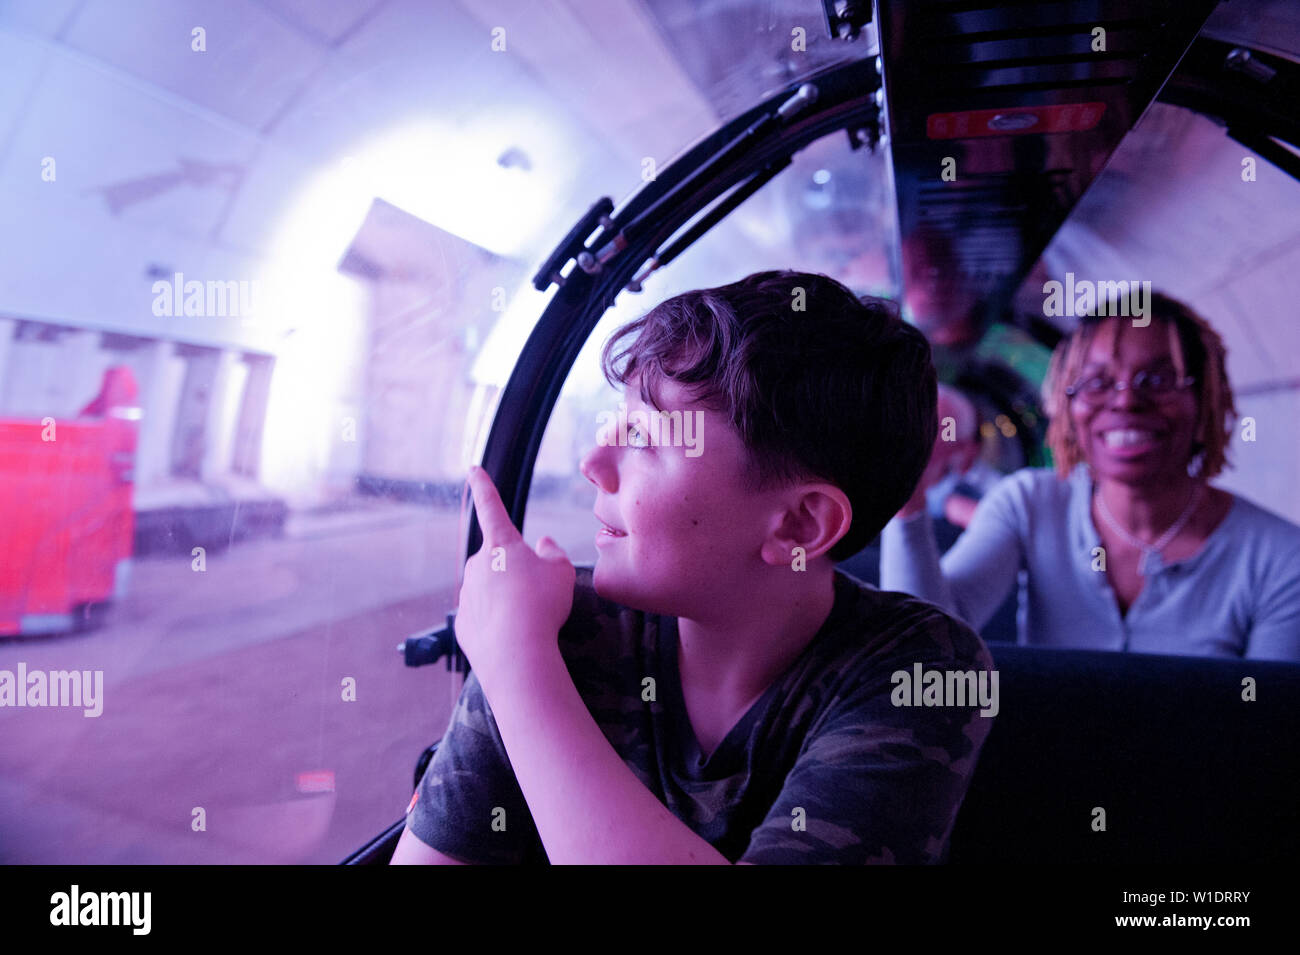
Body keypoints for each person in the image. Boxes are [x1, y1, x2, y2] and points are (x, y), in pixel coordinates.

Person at [390, 272, 995, 865]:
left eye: (648, 438)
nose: (594, 461)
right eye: (616, 424)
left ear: (799, 525)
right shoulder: (553, 620)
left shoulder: (920, 669)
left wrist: (516, 664)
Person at [881, 292, 1300, 661]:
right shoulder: (1029, 503)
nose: (1126, 401)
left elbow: (1267, 731)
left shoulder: (1281, 560)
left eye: (1157, 379)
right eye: (1097, 382)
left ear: (1204, 399)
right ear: (1068, 406)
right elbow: (924, 642)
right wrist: (906, 492)